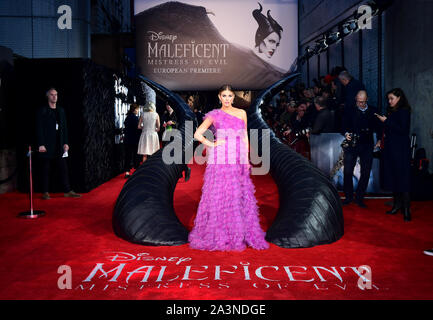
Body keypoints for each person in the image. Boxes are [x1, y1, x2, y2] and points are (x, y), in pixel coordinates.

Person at [188, 85, 269, 251]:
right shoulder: (214, 115)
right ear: (219, 97)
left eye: (229, 96)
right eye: (223, 96)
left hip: (238, 156)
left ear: (233, 97)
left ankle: (239, 232)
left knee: (238, 192)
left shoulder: (242, 113)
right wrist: (212, 143)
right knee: (221, 194)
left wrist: (246, 158)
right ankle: (221, 233)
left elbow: (245, 135)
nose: (226, 99)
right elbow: (197, 134)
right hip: (221, 157)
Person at [36, 88, 81, 199]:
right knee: (46, 169)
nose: (54, 97)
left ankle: (67, 191)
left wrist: (65, 143)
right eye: (52, 95)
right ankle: (45, 192)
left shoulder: (61, 110)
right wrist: (41, 144)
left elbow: (64, 128)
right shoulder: (43, 111)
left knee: (63, 168)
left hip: (59, 144)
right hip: (47, 145)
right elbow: (39, 128)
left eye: (56, 95)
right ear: (48, 96)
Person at [376, 88, 412, 221]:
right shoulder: (392, 111)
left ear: (399, 98)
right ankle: (397, 205)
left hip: (401, 150)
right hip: (391, 149)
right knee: (394, 177)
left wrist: (386, 121)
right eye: (388, 99)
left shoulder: (404, 111)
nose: (389, 101)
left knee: (403, 178)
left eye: (391, 98)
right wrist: (380, 139)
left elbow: (403, 130)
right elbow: (386, 129)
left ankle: (407, 209)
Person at [341, 90, 382, 208]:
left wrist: (379, 139)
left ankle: (359, 197)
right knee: (348, 171)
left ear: (367, 99)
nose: (361, 104)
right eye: (359, 102)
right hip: (352, 143)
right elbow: (342, 125)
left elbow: (380, 127)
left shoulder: (374, 111)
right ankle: (348, 197)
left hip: (367, 144)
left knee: (365, 172)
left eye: (363, 102)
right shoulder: (349, 110)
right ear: (356, 100)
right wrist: (346, 133)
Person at [123, 104, 141, 178]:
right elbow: (138, 129)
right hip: (134, 140)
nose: (138, 110)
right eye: (137, 109)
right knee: (135, 156)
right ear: (135, 109)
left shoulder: (127, 118)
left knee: (128, 156)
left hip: (127, 140)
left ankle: (127, 172)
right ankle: (136, 173)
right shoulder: (135, 118)